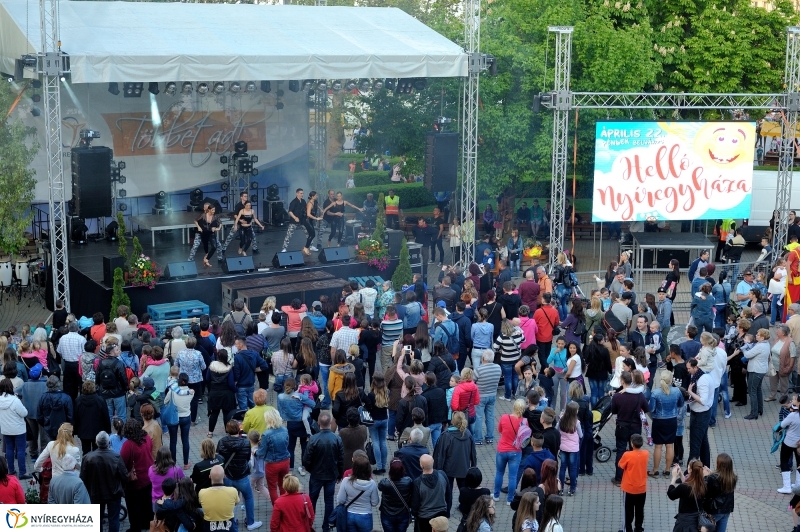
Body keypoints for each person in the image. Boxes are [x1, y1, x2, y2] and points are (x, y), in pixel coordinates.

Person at [303, 411, 344, 532]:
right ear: (330, 422)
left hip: (316, 475)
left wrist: (311, 469)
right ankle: (327, 526)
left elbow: (306, 459)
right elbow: (341, 459)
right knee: (329, 501)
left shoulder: (313, 439)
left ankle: (309, 524)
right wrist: (339, 474)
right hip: (331, 475)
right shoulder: (337, 439)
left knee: (312, 500)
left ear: (318, 423)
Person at [217, 420, 261, 530]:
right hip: (242, 476)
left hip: (227, 476)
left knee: (230, 500)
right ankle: (250, 522)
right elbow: (247, 458)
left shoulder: (221, 442)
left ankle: (232, 521)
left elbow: (218, 458)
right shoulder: (246, 442)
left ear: (227, 430)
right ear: (238, 429)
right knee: (248, 497)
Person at [81, 431, 128, 532]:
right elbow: (124, 476)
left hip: (95, 493)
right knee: (114, 520)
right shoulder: (116, 457)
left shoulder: (87, 458)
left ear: (96, 442)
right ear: (108, 442)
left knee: (97, 520)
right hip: (113, 493)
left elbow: (83, 478)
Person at [611, 372, 650, 486]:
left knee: (620, 451)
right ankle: (632, 476)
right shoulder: (639, 395)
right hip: (635, 427)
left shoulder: (617, 396)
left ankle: (619, 478)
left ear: (622, 381)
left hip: (622, 427)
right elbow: (647, 408)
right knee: (634, 452)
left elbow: (614, 411)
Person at [433, 410, 476, 503]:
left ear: (453, 421)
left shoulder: (446, 435)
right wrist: (473, 467)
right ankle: (465, 508)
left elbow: (440, 454)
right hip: (464, 468)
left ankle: (448, 509)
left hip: (448, 469)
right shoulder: (468, 434)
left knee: (448, 493)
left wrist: (438, 470)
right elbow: (473, 453)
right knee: (464, 492)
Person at [120, 419, 155, 532]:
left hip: (135, 481)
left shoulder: (128, 445)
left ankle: (135, 528)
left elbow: (122, 462)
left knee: (133, 506)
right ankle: (147, 523)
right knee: (147, 502)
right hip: (148, 477)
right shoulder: (147, 438)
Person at [277, 377, 315, 474]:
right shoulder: (299, 396)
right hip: (302, 424)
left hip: (290, 424)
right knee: (304, 447)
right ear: (295, 386)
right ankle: (303, 468)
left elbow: (280, 410)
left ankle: (290, 469)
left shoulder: (280, 397)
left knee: (290, 447)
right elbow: (313, 404)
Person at [649, 371, 682, 477]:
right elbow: (681, 404)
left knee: (658, 447)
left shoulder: (655, 393)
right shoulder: (677, 391)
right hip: (672, 420)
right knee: (670, 446)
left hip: (659, 421)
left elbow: (651, 409)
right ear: (671, 380)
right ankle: (667, 470)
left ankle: (655, 470)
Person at [335, 454, 379, 532]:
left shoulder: (346, 481)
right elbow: (375, 502)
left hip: (349, 515)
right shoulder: (372, 483)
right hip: (365, 516)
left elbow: (340, 500)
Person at [494, 399, 526, 503]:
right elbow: (525, 437)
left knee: (499, 473)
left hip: (502, 449)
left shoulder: (504, 417)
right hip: (516, 451)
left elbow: (499, 430)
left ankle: (496, 495)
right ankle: (510, 499)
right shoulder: (524, 422)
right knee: (513, 476)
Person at [618, 433, 649, 532]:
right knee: (640, 509)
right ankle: (639, 527)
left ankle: (627, 529)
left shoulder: (627, 454)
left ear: (632, 443)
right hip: (641, 487)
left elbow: (620, 465)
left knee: (628, 510)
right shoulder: (646, 453)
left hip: (629, 488)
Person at [412, 454, 450, 532]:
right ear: (433, 461)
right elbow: (448, 496)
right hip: (441, 516)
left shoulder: (417, 483)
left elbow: (415, 504)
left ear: (421, 466)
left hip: (424, 518)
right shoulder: (442, 475)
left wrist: (415, 514)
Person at [739, 328, 771, 420]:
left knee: (752, 391)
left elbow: (747, 355)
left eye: (758, 334)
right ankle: (760, 409)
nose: (756, 335)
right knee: (758, 389)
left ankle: (754, 413)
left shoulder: (760, 346)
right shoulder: (766, 344)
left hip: (756, 370)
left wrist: (744, 348)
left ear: (762, 337)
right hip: (761, 369)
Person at [668, 460, 707, 532]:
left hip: (684, 523)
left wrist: (674, 477)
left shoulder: (684, 487)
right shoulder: (704, 484)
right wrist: (680, 474)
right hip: (698, 522)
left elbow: (671, 495)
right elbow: (687, 484)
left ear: (690, 470)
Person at [164, 373, 194, 469]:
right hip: (185, 417)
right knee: (185, 440)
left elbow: (165, 401)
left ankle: (173, 464)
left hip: (174, 417)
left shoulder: (172, 391)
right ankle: (186, 463)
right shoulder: (191, 392)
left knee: (173, 441)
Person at [74, 380, 111, 455]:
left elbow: (75, 417)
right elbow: (106, 416)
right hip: (97, 430)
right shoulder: (100, 400)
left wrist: (76, 430)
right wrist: (108, 430)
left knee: (85, 452)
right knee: (98, 452)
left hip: (83, 431)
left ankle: (86, 462)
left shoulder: (78, 401)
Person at [198, 465, 240, 532]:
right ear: (224, 476)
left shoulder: (202, 492)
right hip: (229, 527)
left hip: (209, 527)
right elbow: (236, 503)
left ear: (210, 476)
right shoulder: (233, 491)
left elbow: (200, 503)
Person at [206, 349, 236, 438]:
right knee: (226, 413)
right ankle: (227, 432)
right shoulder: (229, 368)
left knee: (214, 413)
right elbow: (231, 383)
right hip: (226, 394)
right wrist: (235, 390)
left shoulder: (212, 365)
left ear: (217, 356)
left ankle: (210, 432)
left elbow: (207, 378)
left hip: (214, 393)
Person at [378, 458, 413, 532]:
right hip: (403, 514)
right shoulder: (408, 481)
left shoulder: (384, 483)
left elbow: (380, 487)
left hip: (387, 514)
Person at [705, 452, 737, 532]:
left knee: (706, 529)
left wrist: (705, 477)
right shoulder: (732, 477)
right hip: (726, 510)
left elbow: (707, 493)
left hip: (715, 510)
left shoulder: (712, 478)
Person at [365, 373, 390, 473]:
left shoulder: (371, 395)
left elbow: (368, 407)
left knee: (375, 442)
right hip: (384, 419)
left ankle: (379, 467)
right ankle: (384, 466)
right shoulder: (387, 392)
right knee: (383, 442)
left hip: (374, 421)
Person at [778, 395, 800, 493]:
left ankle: (787, 487)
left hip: (789, 442)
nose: (792, 400)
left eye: (794, 399)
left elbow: (782, 425)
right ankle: (798, 485)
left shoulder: (793, 415)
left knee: (784, 461)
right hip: (799, 444)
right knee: (799, 463)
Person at [282, 188, 313, 256]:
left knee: (308, 233)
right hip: (294, 221)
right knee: (289, 235)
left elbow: (306, 209)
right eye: (301, 193)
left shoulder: (303, 201)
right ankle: (284, 248)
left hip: (302, 221)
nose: (302, 194)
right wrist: (295, 217)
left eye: (303, 193)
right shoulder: (293, 202)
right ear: (297, 193)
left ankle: (310, 245)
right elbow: (290, 211)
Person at [189, 203, 221, 267]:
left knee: (218, 245)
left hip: (210, 233)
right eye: (205, 208)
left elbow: (219, 223)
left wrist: (216, 228)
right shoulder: (202, 215)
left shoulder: (214, 216)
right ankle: (190, 259)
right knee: (195, 246)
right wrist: (198, 227)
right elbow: (195, 221)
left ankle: (220, 258)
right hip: (201, 233)